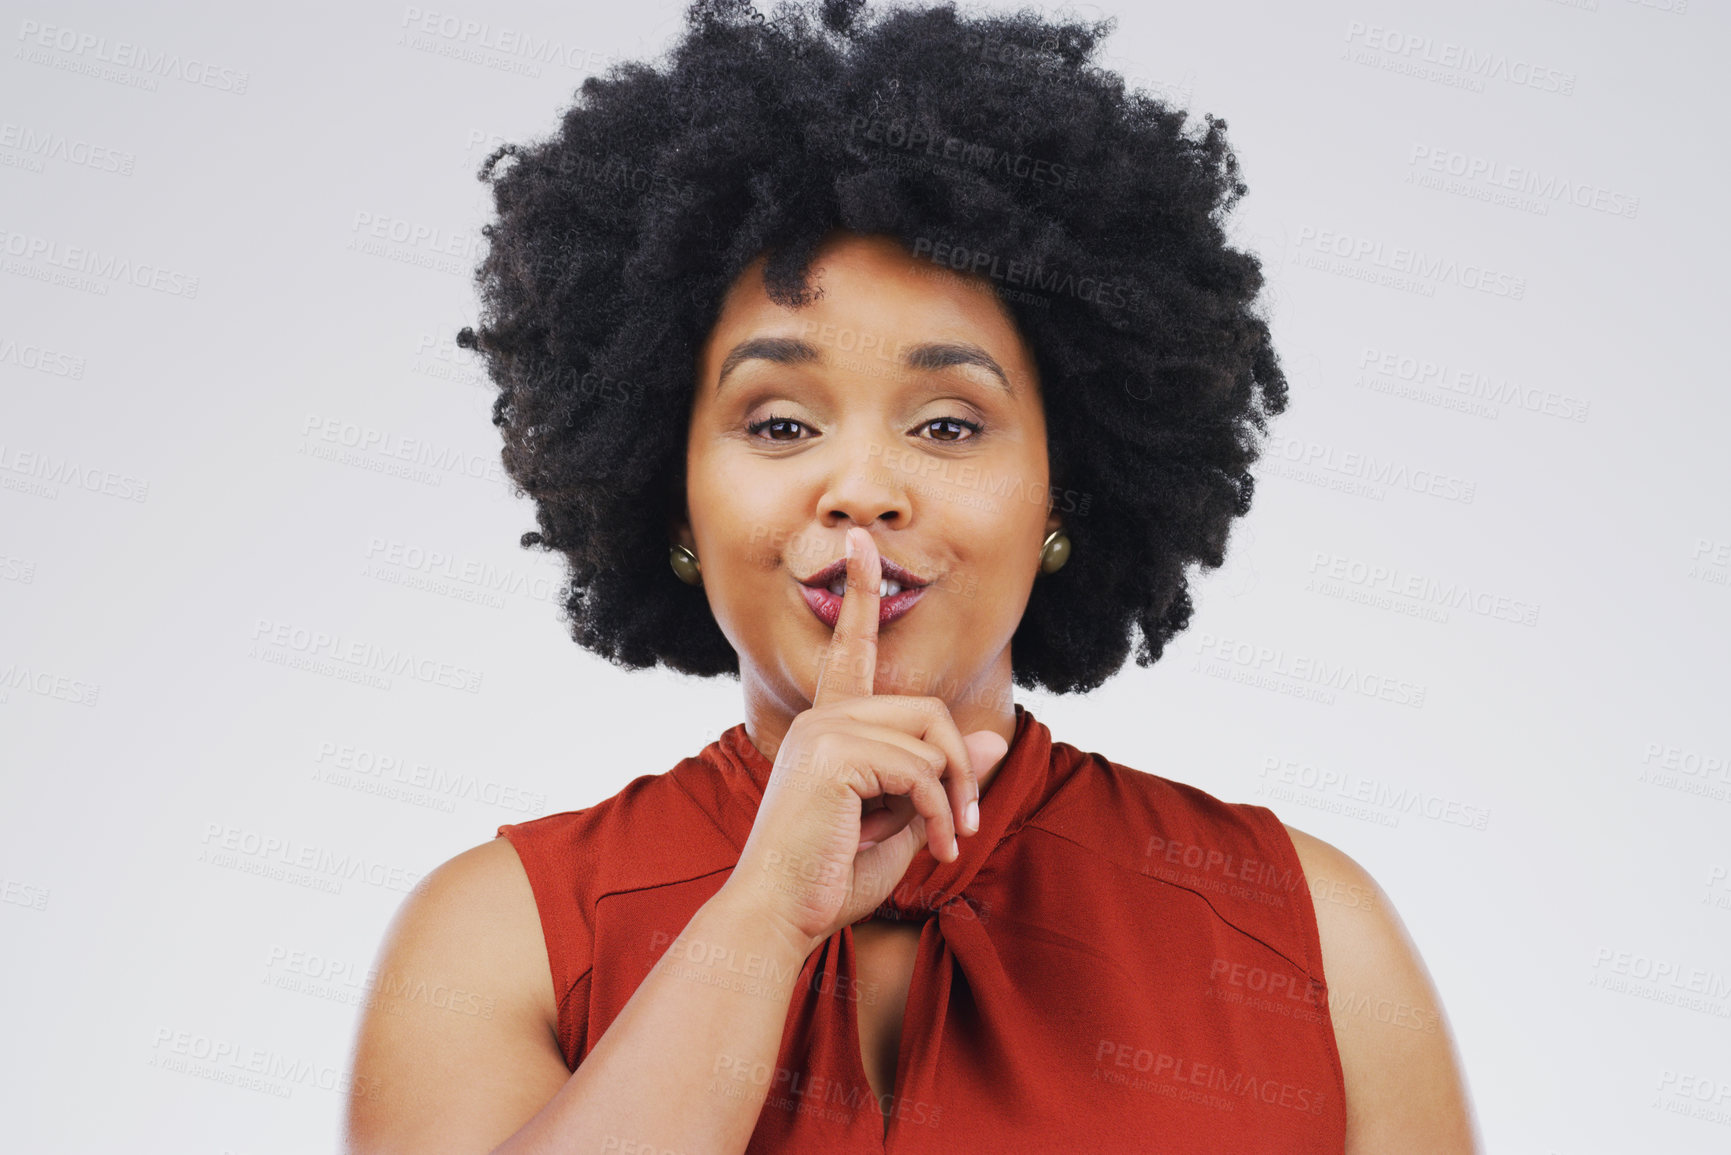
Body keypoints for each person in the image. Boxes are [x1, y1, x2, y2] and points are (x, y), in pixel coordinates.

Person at [344, 1, 1478, 1151]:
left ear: (1063, 492)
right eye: (780, 424)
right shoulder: (503, 936)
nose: (864, 490)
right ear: (669, 489)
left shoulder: (1313, 943)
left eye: (948, 425)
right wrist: (766, 911)